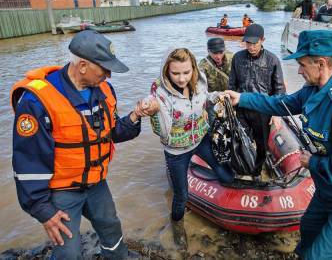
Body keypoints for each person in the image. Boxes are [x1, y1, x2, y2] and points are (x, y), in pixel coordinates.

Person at [224, 30, 332, 259]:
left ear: (321, 63)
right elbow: (281, 104)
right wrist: (242, 98)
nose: (298, 70)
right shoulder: (312, 90)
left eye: (302, 64)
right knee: (308, 230)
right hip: (328, 187)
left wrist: (314, 162)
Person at [10, 30, 151, 259]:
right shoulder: (37, 101)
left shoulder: (105, 90)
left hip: (96, 184)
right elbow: (28, 163)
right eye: (104, 69)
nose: (108, 75)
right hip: (62, 192)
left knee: (111, 227)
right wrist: (43, 211)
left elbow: (111, 132)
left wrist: (137, 115)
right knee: (68, 251)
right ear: (83, 65)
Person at [140, 48, 234, 250]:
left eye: (186, 72)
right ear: (166, 71)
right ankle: (177, 226)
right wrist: (153, 111)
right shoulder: (159, 94)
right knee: (182, 195)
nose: (182, 79)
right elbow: (161, 130)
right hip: (176, 152)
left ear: (193, 68)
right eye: (175, 73)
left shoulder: (199, 82)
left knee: (226, 175)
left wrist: (217, 96)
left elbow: (205, 98)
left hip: (200, 139)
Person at [228, 24, 286, 176]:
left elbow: (279, 88)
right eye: (248, 43)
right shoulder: (237, 58)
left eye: (254, 43)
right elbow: (232, 84)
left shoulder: (272, 60)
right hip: (240, 108)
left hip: (263, 110)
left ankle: (257, 172)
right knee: (240, 140)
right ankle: (242, 168)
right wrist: (230, 108)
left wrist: (277, 113)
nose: (251, 47)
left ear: (262, 40)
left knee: (261, 144)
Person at [198, 38, 233, 127]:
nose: (218, 56)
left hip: (231, 97)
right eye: (215, 53)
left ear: (224, 50)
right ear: (208, 51)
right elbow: (200, 89)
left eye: (221, 52)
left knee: (233, 123)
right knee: (214, 126)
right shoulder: (203, 65)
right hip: (213, 100)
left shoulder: (233, 58)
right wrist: (202, 108)